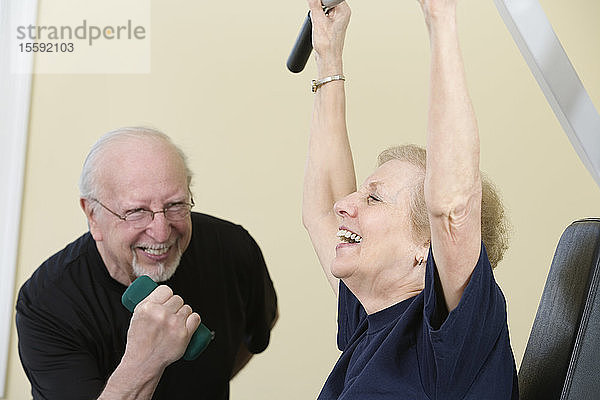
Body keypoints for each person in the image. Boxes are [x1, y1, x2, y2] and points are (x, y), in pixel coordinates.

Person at [302, 0, 518, 398]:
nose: (345, 205)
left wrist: (440, 17)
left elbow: (453, 209)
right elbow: (323, 205)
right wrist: (328, 54)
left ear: (426, 246)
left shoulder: (451, 340)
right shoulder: (374, 317)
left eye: (374, 199)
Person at [16, 127, 278, 400]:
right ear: (92, 215)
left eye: (175, 205)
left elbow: (256, 333)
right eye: (136, 212)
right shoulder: (46, 302)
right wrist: (146, 362)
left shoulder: (233, 248)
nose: (162, 232)